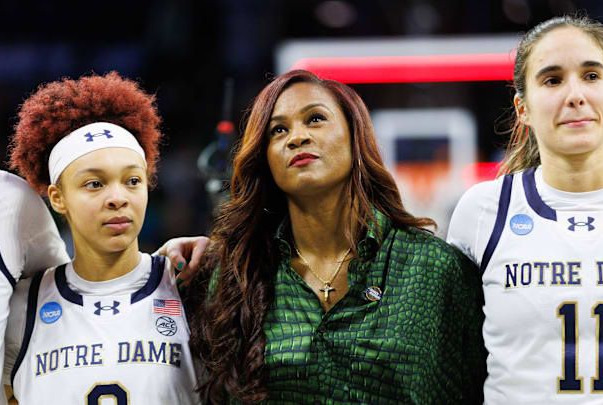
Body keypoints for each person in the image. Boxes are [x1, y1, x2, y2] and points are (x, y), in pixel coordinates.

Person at [188, 69, 486, 404]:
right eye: (278, 130)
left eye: (315, 119)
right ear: (265, 158)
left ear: (354, 136)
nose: (296, 137)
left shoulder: (435, 268)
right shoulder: (239, 273)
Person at [446, 15, 603, 404]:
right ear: (523, 108)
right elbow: (457, 360)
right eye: (552, 80)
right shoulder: (482, 212)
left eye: (591, 76)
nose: (575, 95)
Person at [3, 72, 201, 404]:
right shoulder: (21, 309)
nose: (118, 198)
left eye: (132, 181)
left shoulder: (192, 284)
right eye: (94, 183)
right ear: (57, 197)